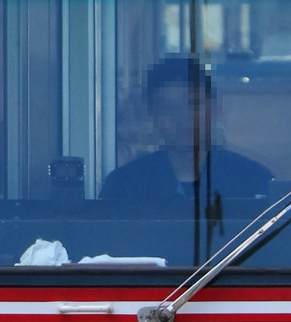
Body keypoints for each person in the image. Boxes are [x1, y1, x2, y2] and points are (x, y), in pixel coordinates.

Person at [99, 58, 272, 217]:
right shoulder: (124, 187)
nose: (183, 117)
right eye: (169, 108)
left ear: (215, 108)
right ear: (153, 115)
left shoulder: (252, 182)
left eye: (193, 105)